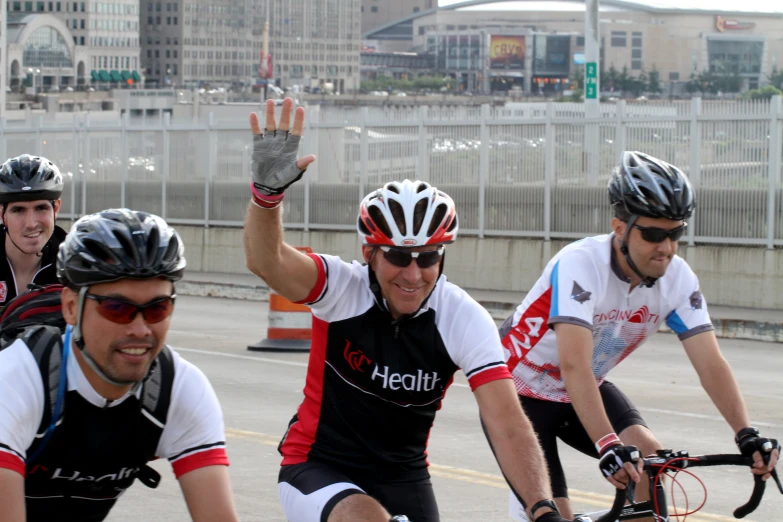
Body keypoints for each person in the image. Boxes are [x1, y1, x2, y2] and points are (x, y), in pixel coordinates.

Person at [243, 98, 575, 522]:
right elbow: (266, 261)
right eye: (399, 257)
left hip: (404, 477)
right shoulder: (341, 288)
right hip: (319, 467)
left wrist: (543, 508)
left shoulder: (461, 317)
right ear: (370, 253)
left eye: (428, 257)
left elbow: (507, 421)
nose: (414, 274)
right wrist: (267, 197)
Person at [497, 151, 780, 519]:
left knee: (650, 469)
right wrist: (607, 444)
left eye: (675, 233)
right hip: (516, 395)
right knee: (554, 513)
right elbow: (574, 364)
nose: (666, 248)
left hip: (581, 389)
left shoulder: (677, 280)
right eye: (652, 234)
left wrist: (745, 433)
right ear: (619, 228)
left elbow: (711, 364)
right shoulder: (579, 264)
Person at [0, 208, 240, 522]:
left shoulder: (178, 388)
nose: (140, 329)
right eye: (117, 308)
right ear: (71, 308)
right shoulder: (17, 380)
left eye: (158, 308)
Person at [0, 154, 67, 306]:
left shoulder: (75, 262)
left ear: (56, 208)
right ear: (2, 214)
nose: (31, 223)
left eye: (41, 208)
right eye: (18, 210)